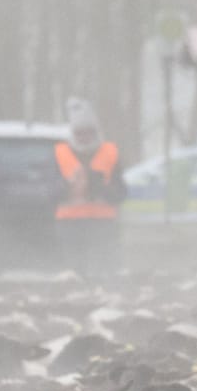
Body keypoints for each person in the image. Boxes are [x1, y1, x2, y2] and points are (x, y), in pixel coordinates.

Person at [53, 99, 126, 275]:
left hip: (103, 224)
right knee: (75, 270)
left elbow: (121, 192)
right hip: (70, 225)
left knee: (104, 270)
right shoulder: (59, 154)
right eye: (79, 133)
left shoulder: (110, 153)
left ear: (96, 132)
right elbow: (49, 191)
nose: (84, 137)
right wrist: (68, 187)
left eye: (88, 132)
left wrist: (101, 188)